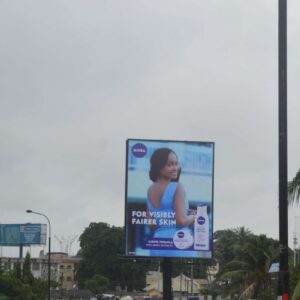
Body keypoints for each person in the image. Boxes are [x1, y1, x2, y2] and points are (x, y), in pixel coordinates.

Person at [147, 148, 195, 239]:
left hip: (157, 243)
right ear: (159, 167)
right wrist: (194, 217)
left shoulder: (150, 189)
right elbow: (180, 221)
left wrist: (185, 214)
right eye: (169, 165)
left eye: (176, 163)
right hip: (179, 242)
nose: (175, 168)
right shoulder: (177, 187)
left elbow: (151, 225)